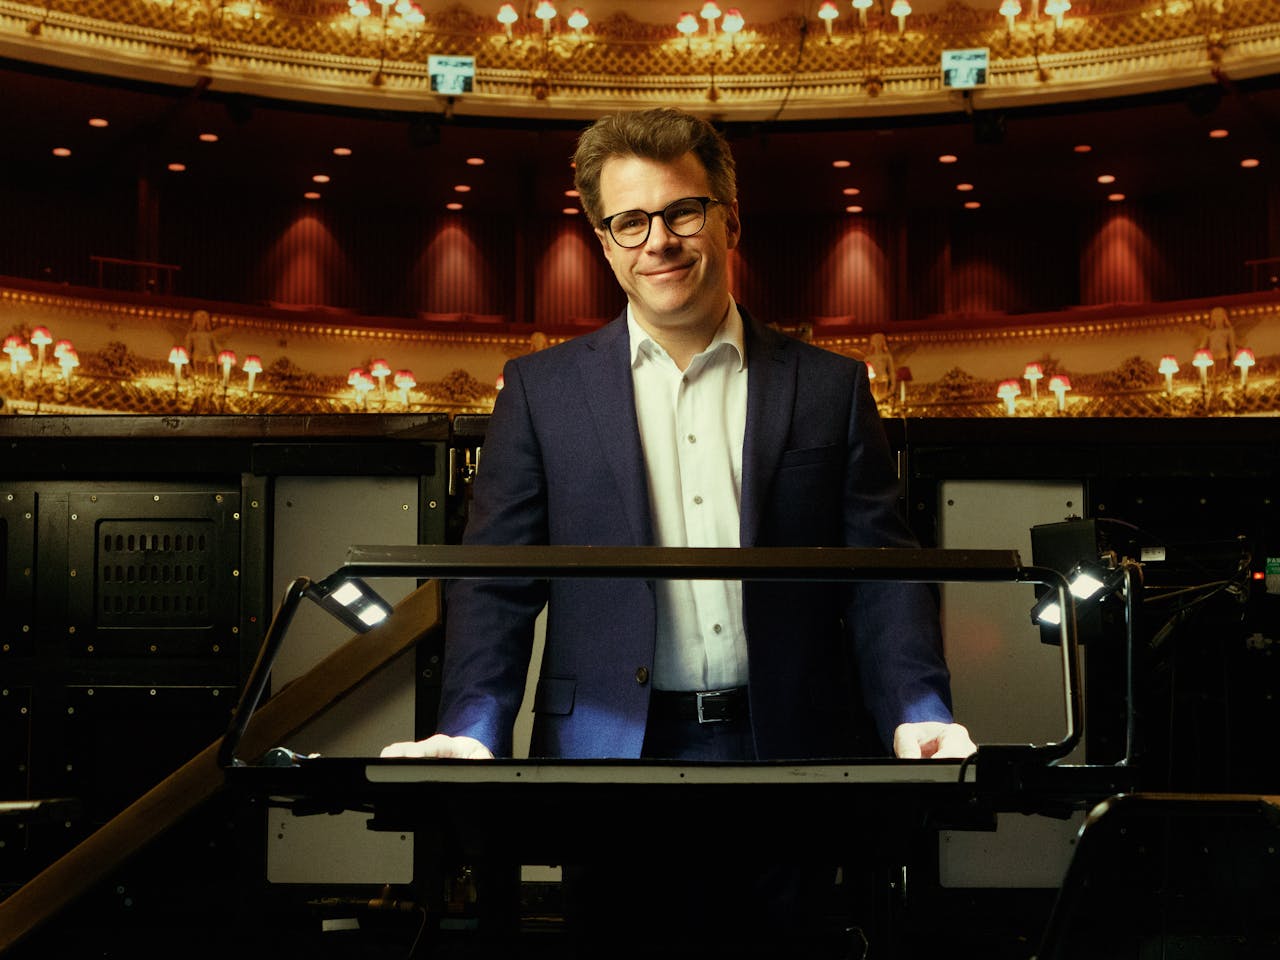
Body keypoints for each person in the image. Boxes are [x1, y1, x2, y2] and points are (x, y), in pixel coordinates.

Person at [383, 107, 973, 949]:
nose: (657, 240)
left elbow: (881, 573)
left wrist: (917, 708)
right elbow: (495, 583)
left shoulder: (829, 389)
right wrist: (474, 728)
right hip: (606, 757)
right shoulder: (540, 392)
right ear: (603, 239)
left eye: (682, 212)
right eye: (629, 221)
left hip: (788, 747)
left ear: (730, 217)